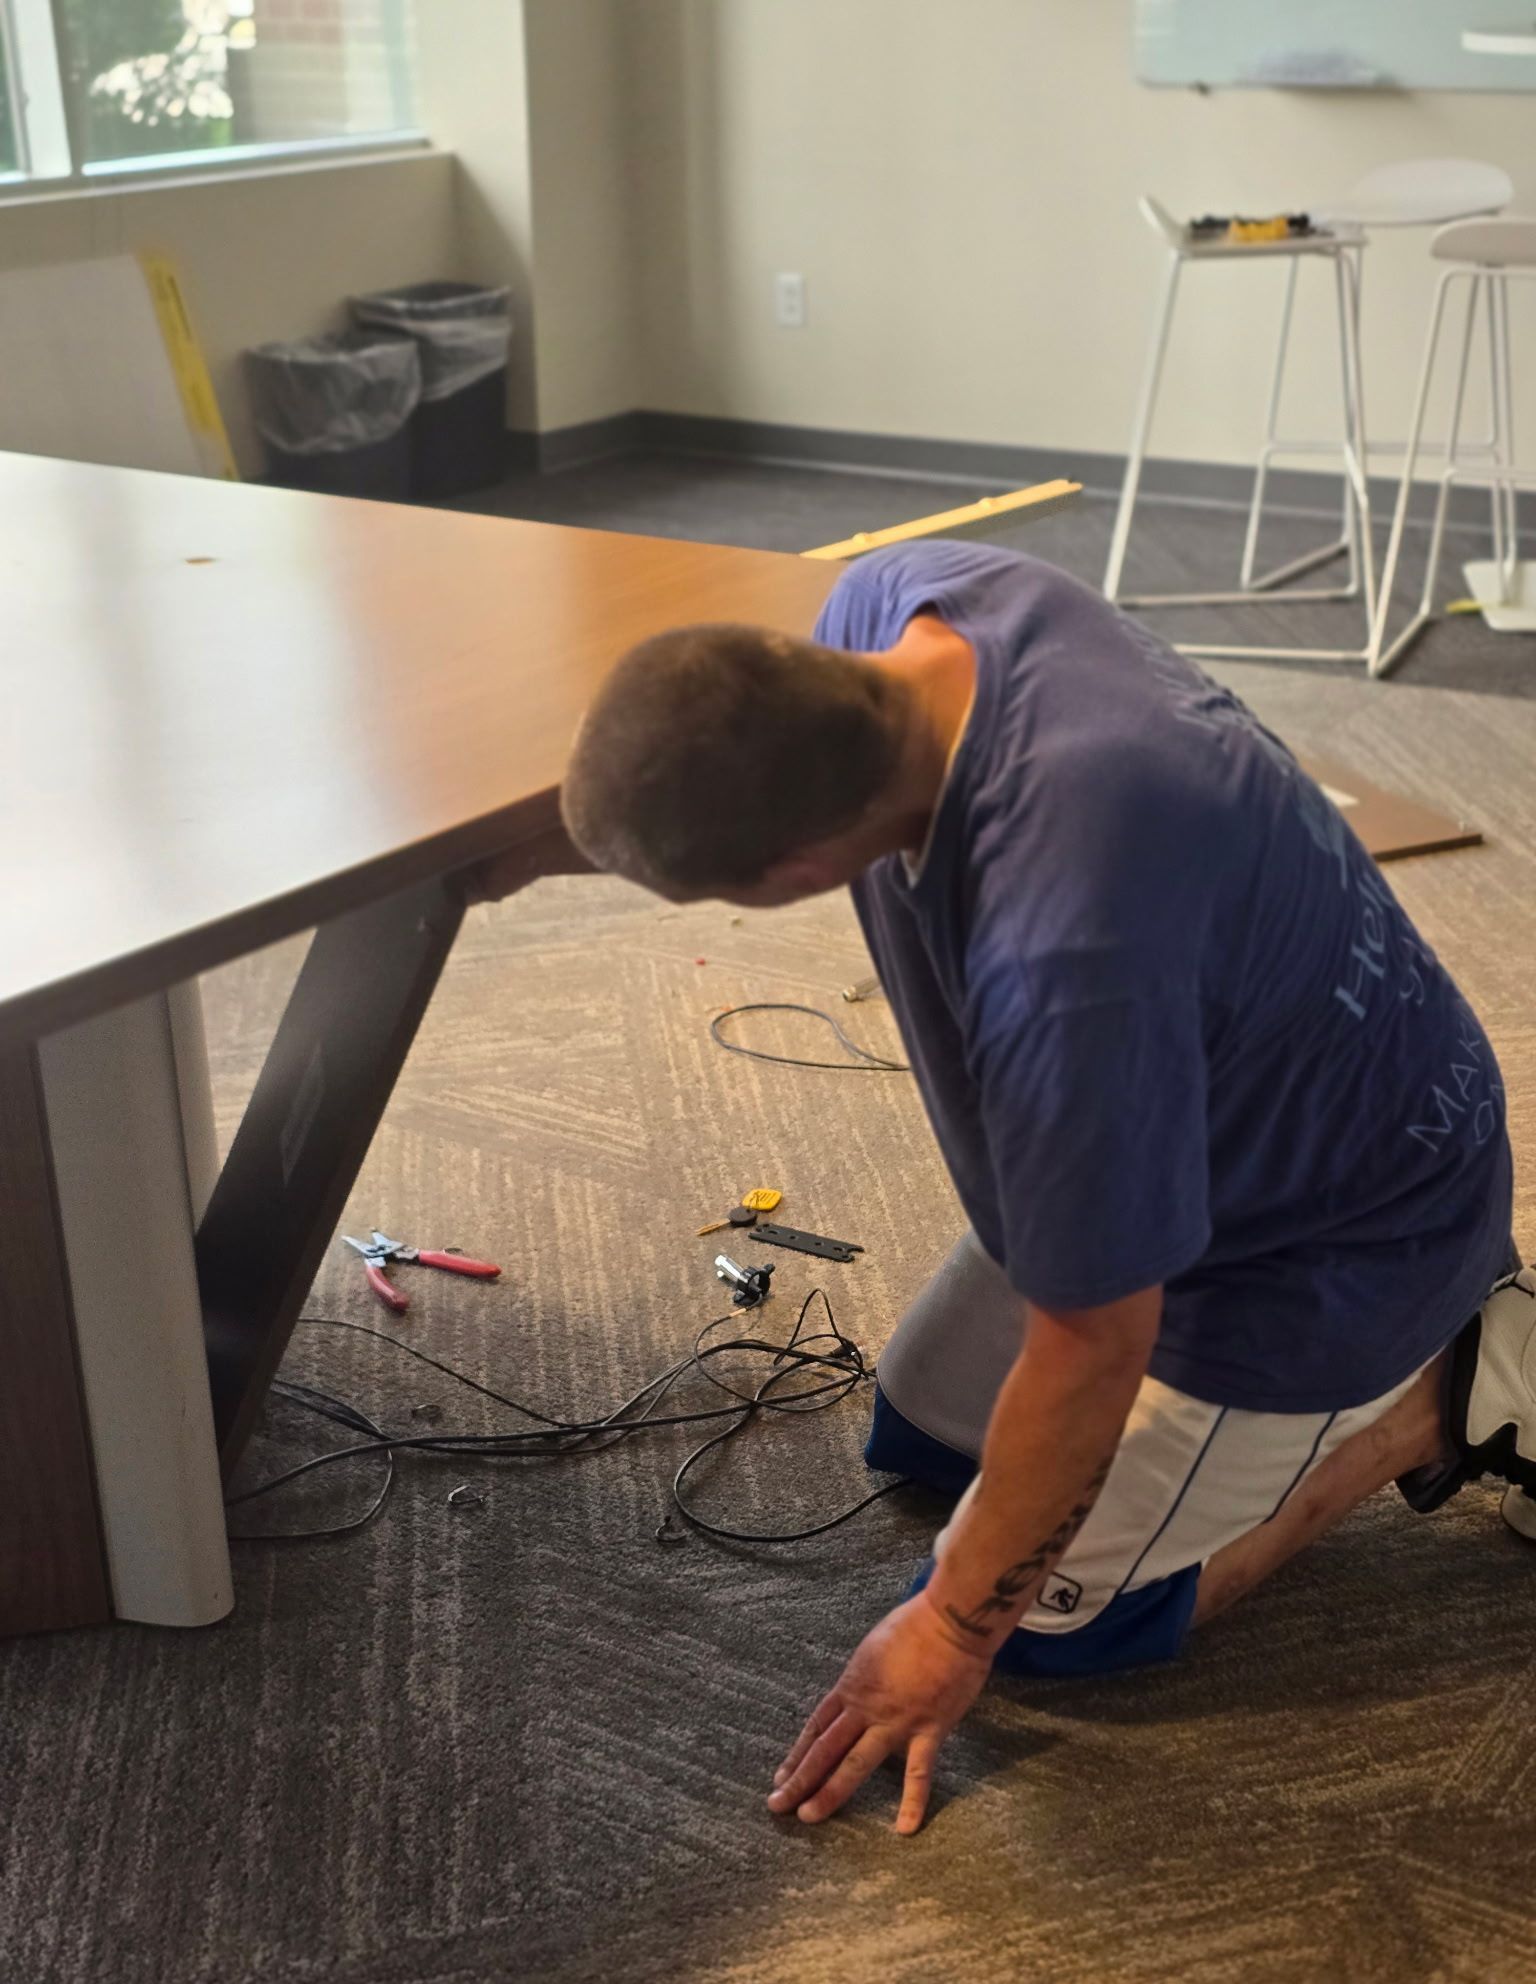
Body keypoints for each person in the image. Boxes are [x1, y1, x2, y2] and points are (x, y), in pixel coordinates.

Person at [484, 540, 1534, 1837]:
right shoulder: (900, 603)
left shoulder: (1068, 953)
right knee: (923, 1434)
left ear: (804, 873)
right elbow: (709, 754)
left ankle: (1442, 1396)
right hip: (1221, 1108)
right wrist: (546, 830)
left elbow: (1099, 1346)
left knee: (1041, 1629)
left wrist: (946, 1628)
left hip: (1332, 1235)